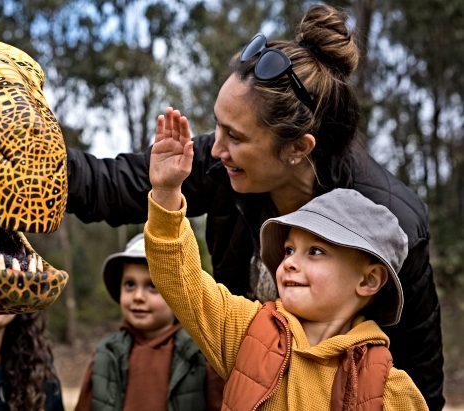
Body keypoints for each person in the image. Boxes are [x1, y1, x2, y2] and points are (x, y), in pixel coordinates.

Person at [65, 4, 444, 409]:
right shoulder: (243, 327)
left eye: (236, 136)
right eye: (218, 126)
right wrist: (29, 159)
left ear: (298, 148)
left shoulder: (390, 221)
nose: (216, 148)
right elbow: (112, 185)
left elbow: (420, 378)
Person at [145, 116, 428, 408]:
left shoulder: (390, 390)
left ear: (368, 280)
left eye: (316, 251)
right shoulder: (247, 331)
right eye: (289, 250)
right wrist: (166, 193)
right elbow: (182, 282)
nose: (290, 263)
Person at [74, 233, 224, 411]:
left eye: (153, 286)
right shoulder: (106, 355)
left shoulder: (200, 354)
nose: (138, 297)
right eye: (130, 284)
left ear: (178, 293)